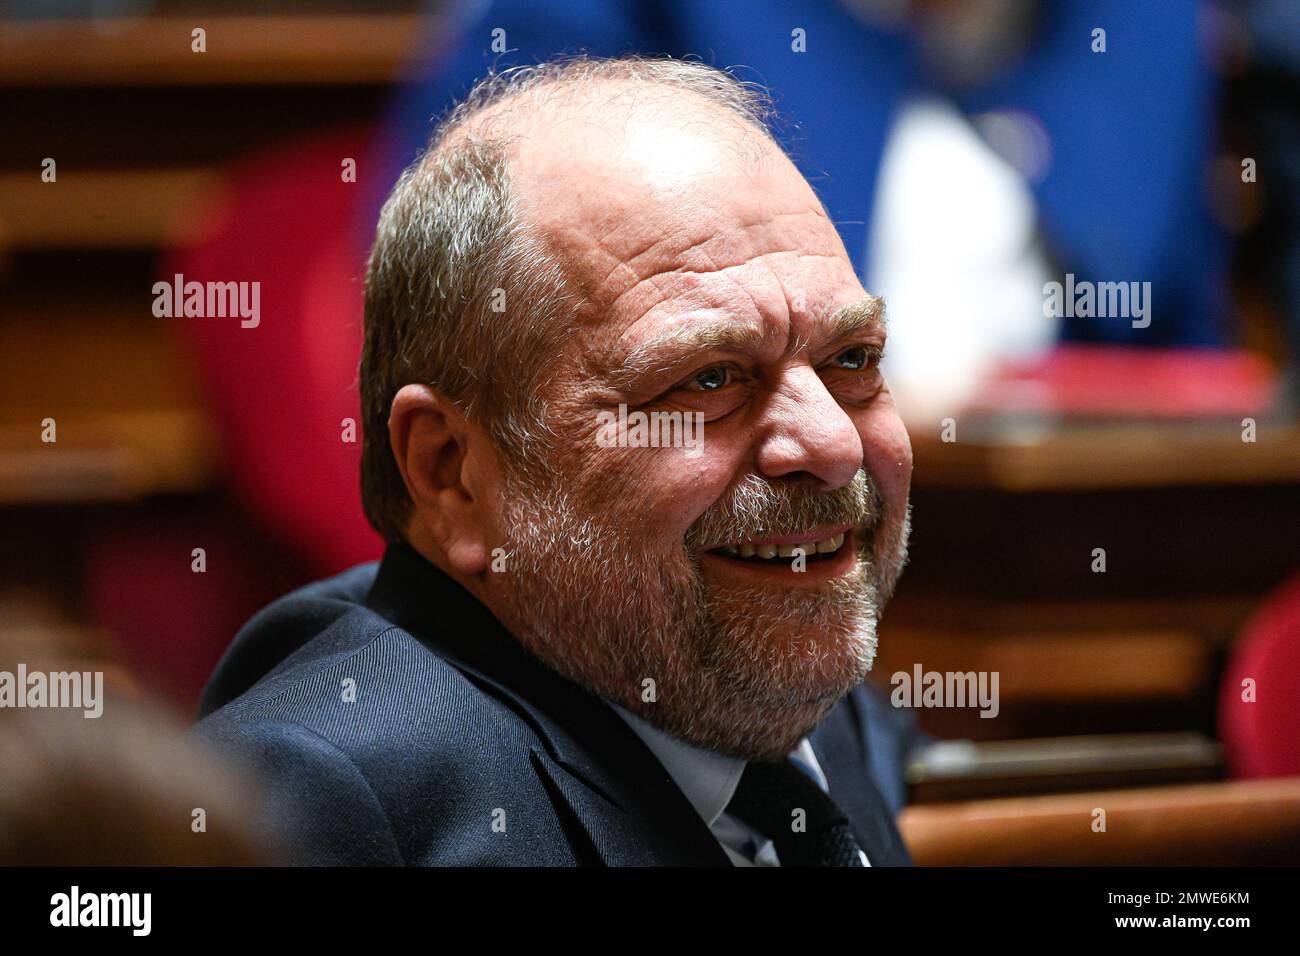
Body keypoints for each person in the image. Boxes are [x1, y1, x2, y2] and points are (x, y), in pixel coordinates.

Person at [195, 55, 926, 867]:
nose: (831, 446)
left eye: (853, 360)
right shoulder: (326, 805)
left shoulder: (775, 683)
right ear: (450, 471)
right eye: (708, 380)